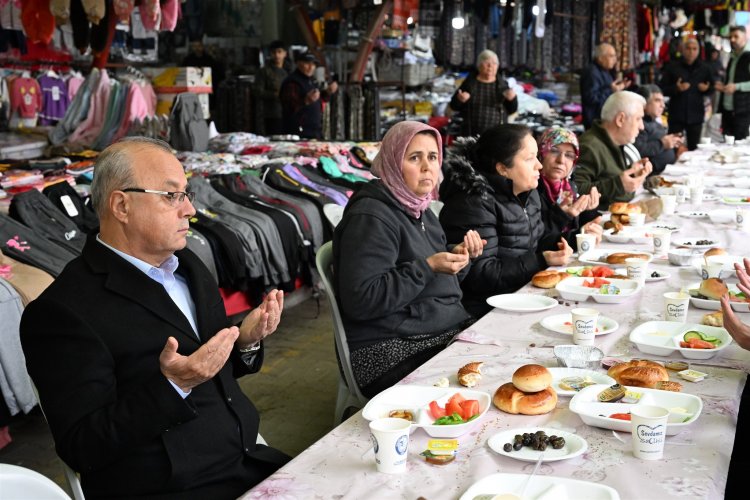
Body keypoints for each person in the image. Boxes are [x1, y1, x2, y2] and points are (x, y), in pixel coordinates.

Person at [20, 137, 290, 499]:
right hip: (169, 487)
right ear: (121, 205)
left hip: (245, 460)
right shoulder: (62, 311)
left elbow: (210, 372)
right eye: (171, 196)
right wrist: (172, 387)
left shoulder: (189, 266)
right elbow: (82, 445)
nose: (190, 209)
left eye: (186, 194)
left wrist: (245, 341)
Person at [333, 121, 484, 398]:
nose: (427, 166)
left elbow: (436, 285)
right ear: (392, 162)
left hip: (434, 329)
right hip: (385, 349)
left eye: (433, 157)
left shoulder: (421, 210)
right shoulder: (371, 217)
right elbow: (362, 299)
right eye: (415, 157)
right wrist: (427, 267)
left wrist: (460, 259)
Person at [439, 124, 574, 318]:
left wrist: (567, 240)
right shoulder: (472, 203)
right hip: (485, 310)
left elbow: (534, 242)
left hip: (522, 294)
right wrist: (541, 259)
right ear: (503, 168)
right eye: (529, 159)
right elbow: (481, 276)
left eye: (536, 156)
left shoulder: (527, 192)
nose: (539, 165)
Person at [573, 91, 653, 210]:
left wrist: (633, 173)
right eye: (638, 119)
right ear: (620, 119)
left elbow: (609, 176)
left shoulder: (614, 141)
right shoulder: (589, 146)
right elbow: (574, 189)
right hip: (598, 222)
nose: (642, 126)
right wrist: (618, 185)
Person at [536, 127, 603, 247]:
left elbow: (576, 226)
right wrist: (563, 215)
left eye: (569, 155)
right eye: (554, 151)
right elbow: (540, 241)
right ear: (541, 153)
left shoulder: (569, 187)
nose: (561, 160)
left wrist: (588, 210)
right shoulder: (532, 189)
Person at [659, 38, 713, 150]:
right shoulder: (672, 67)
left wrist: (706, 89)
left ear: (698, 51)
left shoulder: (705, 68)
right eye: (688, 48)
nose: (691, 52)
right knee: (674, 148)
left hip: (696, 114)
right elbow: (661, 89)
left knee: (694, 149)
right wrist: (676, 88)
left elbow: (712, 88)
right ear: (682, 50)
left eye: (694, 49)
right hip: (677, 114)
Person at [449, 49, 518, 136]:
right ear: (479, 65)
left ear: (497, 66)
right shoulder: (469, 84)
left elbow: (512, 110)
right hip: (471, 134)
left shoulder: (502, 85)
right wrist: (460, 100)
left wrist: (512, 99)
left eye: (494, 63)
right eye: (486, 62)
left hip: (497, 135)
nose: (490, 66)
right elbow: (453, 106)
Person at [279, 51, 338, 139]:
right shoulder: (292, 82)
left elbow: (319, 100)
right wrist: (305, 101)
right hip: (298, 133)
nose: (311, 67)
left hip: (313, 131)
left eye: (313, 64)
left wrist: (328, 92)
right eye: (307, 63)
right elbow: (289, 107)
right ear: (298, 63)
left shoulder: (311, 80)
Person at [633, 84, 683, 175]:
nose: (663, 105)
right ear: (644, 103)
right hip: (653, 176)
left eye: (663, 101)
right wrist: (662, 144)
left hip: (668, 170)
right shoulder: (639, 125)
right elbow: (638, 150)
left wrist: (673, 142)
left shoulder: (654, 122)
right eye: (657, 101)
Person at [581, 43, 631, 129]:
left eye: (615, 56)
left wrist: (619, 87)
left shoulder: (604, 70)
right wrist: (612, 90)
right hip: (595, 122)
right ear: (600, 58)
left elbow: (606, 89)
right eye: (611, 56)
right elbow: (591, 98)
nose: (615, 60)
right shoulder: (591, 72)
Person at [716, 26, 750, 140]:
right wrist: (723, 86)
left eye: (736, 36)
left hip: (742, 110)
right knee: (726, 144)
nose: (732, 39)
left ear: (745, 37)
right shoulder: (733, 56)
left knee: (739, 145)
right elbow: (732, 80)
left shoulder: (748, 56)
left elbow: (737, 84)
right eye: (731, 37)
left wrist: (737, 87)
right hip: (728, 109)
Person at [255, 40, 291, 136]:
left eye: (279, 52)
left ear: (285, 54)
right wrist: (276, 94)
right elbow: (258, 92)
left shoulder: (288, 71)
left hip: (287, 112)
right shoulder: (264, 71)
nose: (277, 55)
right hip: (271, 113)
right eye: (274, 52)